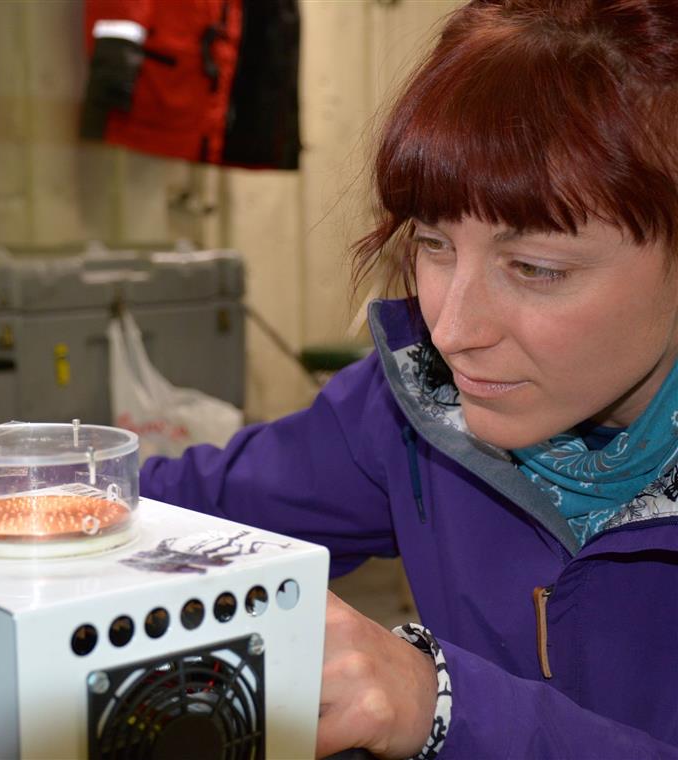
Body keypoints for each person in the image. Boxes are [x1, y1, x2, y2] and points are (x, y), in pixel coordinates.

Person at [139, 1, 678, 758]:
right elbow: (183, 511)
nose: (454, 331)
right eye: (432, 243)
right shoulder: (415, 407)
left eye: (536, 268)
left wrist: (444, 706)